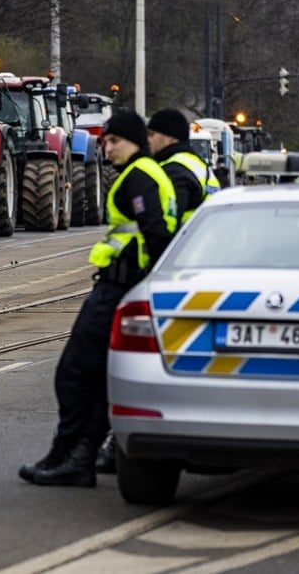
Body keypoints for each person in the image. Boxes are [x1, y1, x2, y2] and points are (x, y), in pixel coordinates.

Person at [19, 109, 177, 488]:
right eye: (105, 142)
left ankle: (69, 454)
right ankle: (76, 458)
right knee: (96, 378)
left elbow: (154, 234)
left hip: (119, 289)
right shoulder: (150, 173)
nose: (107, 149)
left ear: (136, 141)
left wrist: (145, 286)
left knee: (74, 373)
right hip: (125, 287)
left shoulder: (138, 179)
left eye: (114, 141)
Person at [89, 107, 219, 474]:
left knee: (141, 364)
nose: (148, 141)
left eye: (152, 135)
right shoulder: (200, 168)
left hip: (172, 275)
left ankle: (122, 446)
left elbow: (164, 224)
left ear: (167, 136)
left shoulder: (174, 171)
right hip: (199, 273)